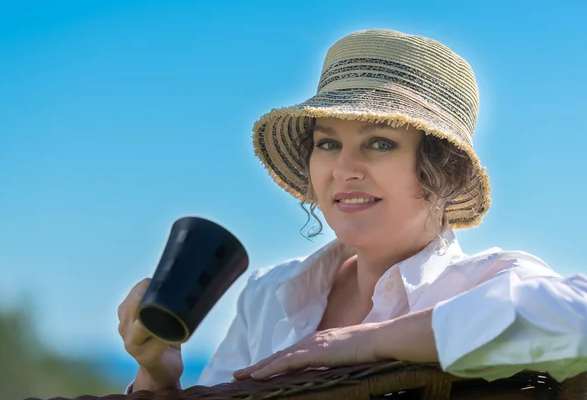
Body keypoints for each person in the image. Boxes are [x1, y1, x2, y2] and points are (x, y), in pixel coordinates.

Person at [117, 29, 587, 393]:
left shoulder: (488, 281)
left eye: (379, 143)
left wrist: (368, 341)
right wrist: (157, 377)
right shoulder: (267, 295)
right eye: (328, 143)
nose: (343, 169)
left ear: (439, 168)